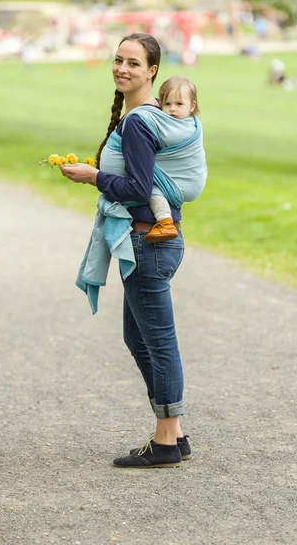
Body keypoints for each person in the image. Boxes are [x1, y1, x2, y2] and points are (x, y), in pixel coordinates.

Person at [60, 33, 201, 469]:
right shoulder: (151, 116)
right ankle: (174, 432)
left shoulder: (142, 120)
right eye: (118, 60)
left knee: (157, 339)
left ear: (152, 71)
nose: (122, 68)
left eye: (133, 63)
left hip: (148, 242)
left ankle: (164, 443)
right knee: (138, 336)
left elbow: (139, 189)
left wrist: (93, 177)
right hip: (151, 240)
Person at [145, 76, 199, 243]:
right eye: (166, 104)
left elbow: (160, 135)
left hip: (186, 182)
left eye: (179, 104)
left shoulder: (180, 129)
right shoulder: (190, 123)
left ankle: (165, 222)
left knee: (151, 188)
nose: (172, 109)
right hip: (189, 181)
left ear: (192, 106)